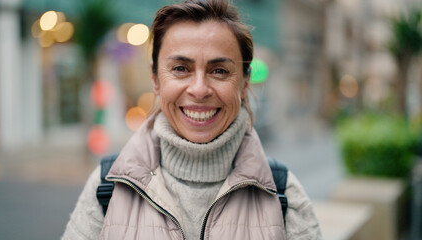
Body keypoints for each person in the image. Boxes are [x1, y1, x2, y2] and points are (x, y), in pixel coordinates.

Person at [62, 0, 322, 239]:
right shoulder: (107, 188)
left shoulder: (283, 193)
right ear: (156, 80)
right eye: (180, 69)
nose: (199, 89)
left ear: (243, 84)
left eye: (219, 71)